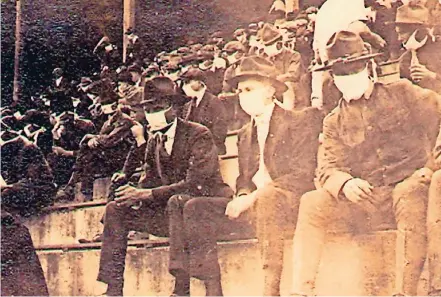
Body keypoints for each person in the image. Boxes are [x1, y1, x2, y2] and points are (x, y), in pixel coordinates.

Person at [290, 30, 441, 296]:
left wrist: (430, 168)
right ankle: (301, 291)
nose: (348, 78)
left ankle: (404, 292)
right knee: (312, 202)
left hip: (410, 190)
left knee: (409, 192)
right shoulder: (333, 120)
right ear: (333, 78)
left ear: (369, 67)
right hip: (367, 200)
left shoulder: (403, 93)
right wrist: (344, 182)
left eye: (354, 70)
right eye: (340, 73)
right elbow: (326, 167)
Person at [168, 56, 324, 296]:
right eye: (239, 91)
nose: (243, 96)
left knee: (269, 200)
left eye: (249, 89)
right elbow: (244, 179)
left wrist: (253, 198)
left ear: (271, 90)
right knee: (195, 207)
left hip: (287, 202)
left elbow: (302, 174)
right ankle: (213, 289)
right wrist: (242, 194)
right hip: (255, 206)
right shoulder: (244, 133)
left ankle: (270, 290)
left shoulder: (298, 121)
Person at [96, 76, 232, 296]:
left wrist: (146, 194)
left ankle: (181, 288)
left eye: (157, 107)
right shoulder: (154, 140)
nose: (152, 114)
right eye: (148, 109)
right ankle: (113, 288)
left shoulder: (199, 134)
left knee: (178, 201)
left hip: (203, 209)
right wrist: (135, 196)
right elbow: (149, 179)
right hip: (172, 213)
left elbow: (196, 183)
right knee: (115, 209)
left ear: (175, 108)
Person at [56, 104, 135, 201]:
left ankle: (75, 187)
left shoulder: (125, 120)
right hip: (107, 156)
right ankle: (79, 189)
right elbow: (102, 139)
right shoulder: (107, 122)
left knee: (87, 150)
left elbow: (110, 140)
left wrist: (92, 137)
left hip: (123, 156)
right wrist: (93, 139)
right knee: (87, 152)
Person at [1, 130, 56, 217]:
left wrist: (11, 186)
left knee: (6, 194)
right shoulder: (15, 155)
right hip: (30, 188)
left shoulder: (29, 149)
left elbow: (34, 178)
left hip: (41, 189)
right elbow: (13, 177)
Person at [180, 66, 228, 155]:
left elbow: (220, 130)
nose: (184, 86)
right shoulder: (187, 106)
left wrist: (204, 147)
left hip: (212, 152)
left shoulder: (214, 101)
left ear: (200, 82)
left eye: (187, 82)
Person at [395, 4, 441, 93]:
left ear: (419, 30)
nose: (399, 38)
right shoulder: (405, 60)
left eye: (403, 33)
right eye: (398, 33)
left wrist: (432, 76)